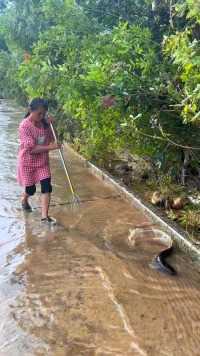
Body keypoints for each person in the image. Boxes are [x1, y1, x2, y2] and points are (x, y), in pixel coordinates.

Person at [17, 98, 61, 225]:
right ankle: (24, 199)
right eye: (39, 114)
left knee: (47, 186)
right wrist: (50, 147)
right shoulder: (24, 126)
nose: (41, 117)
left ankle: (44, 217)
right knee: (30, 190)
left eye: (44, 114)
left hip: (42, 162)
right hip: (27, 162)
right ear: (31, 110)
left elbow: (54, 139)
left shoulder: (45, 124)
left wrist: (53, 126)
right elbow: (31, 149)